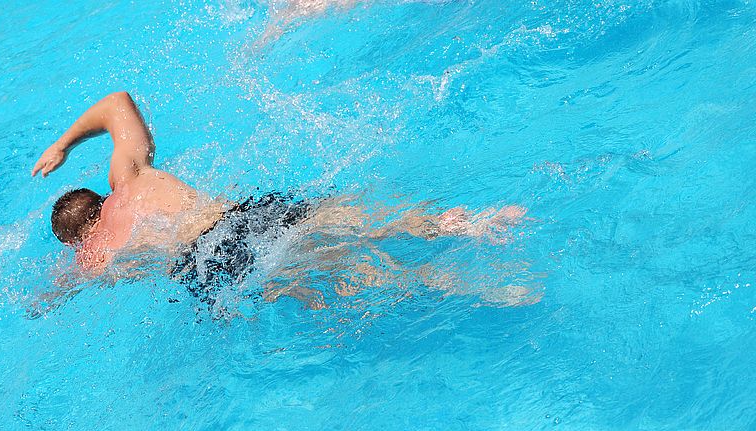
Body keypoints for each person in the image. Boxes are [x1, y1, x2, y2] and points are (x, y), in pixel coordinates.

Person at [32, 91, 529, 308]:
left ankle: (449, 283)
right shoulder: (130, 177)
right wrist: (63, 145)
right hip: (242, 214)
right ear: (98, 195)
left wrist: (45, 298)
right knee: (348, 217)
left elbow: (57, 294)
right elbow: (117, 102)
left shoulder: (96, 251)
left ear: (79, 236)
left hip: (214, 255)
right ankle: (459, 224)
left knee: (334, 276)